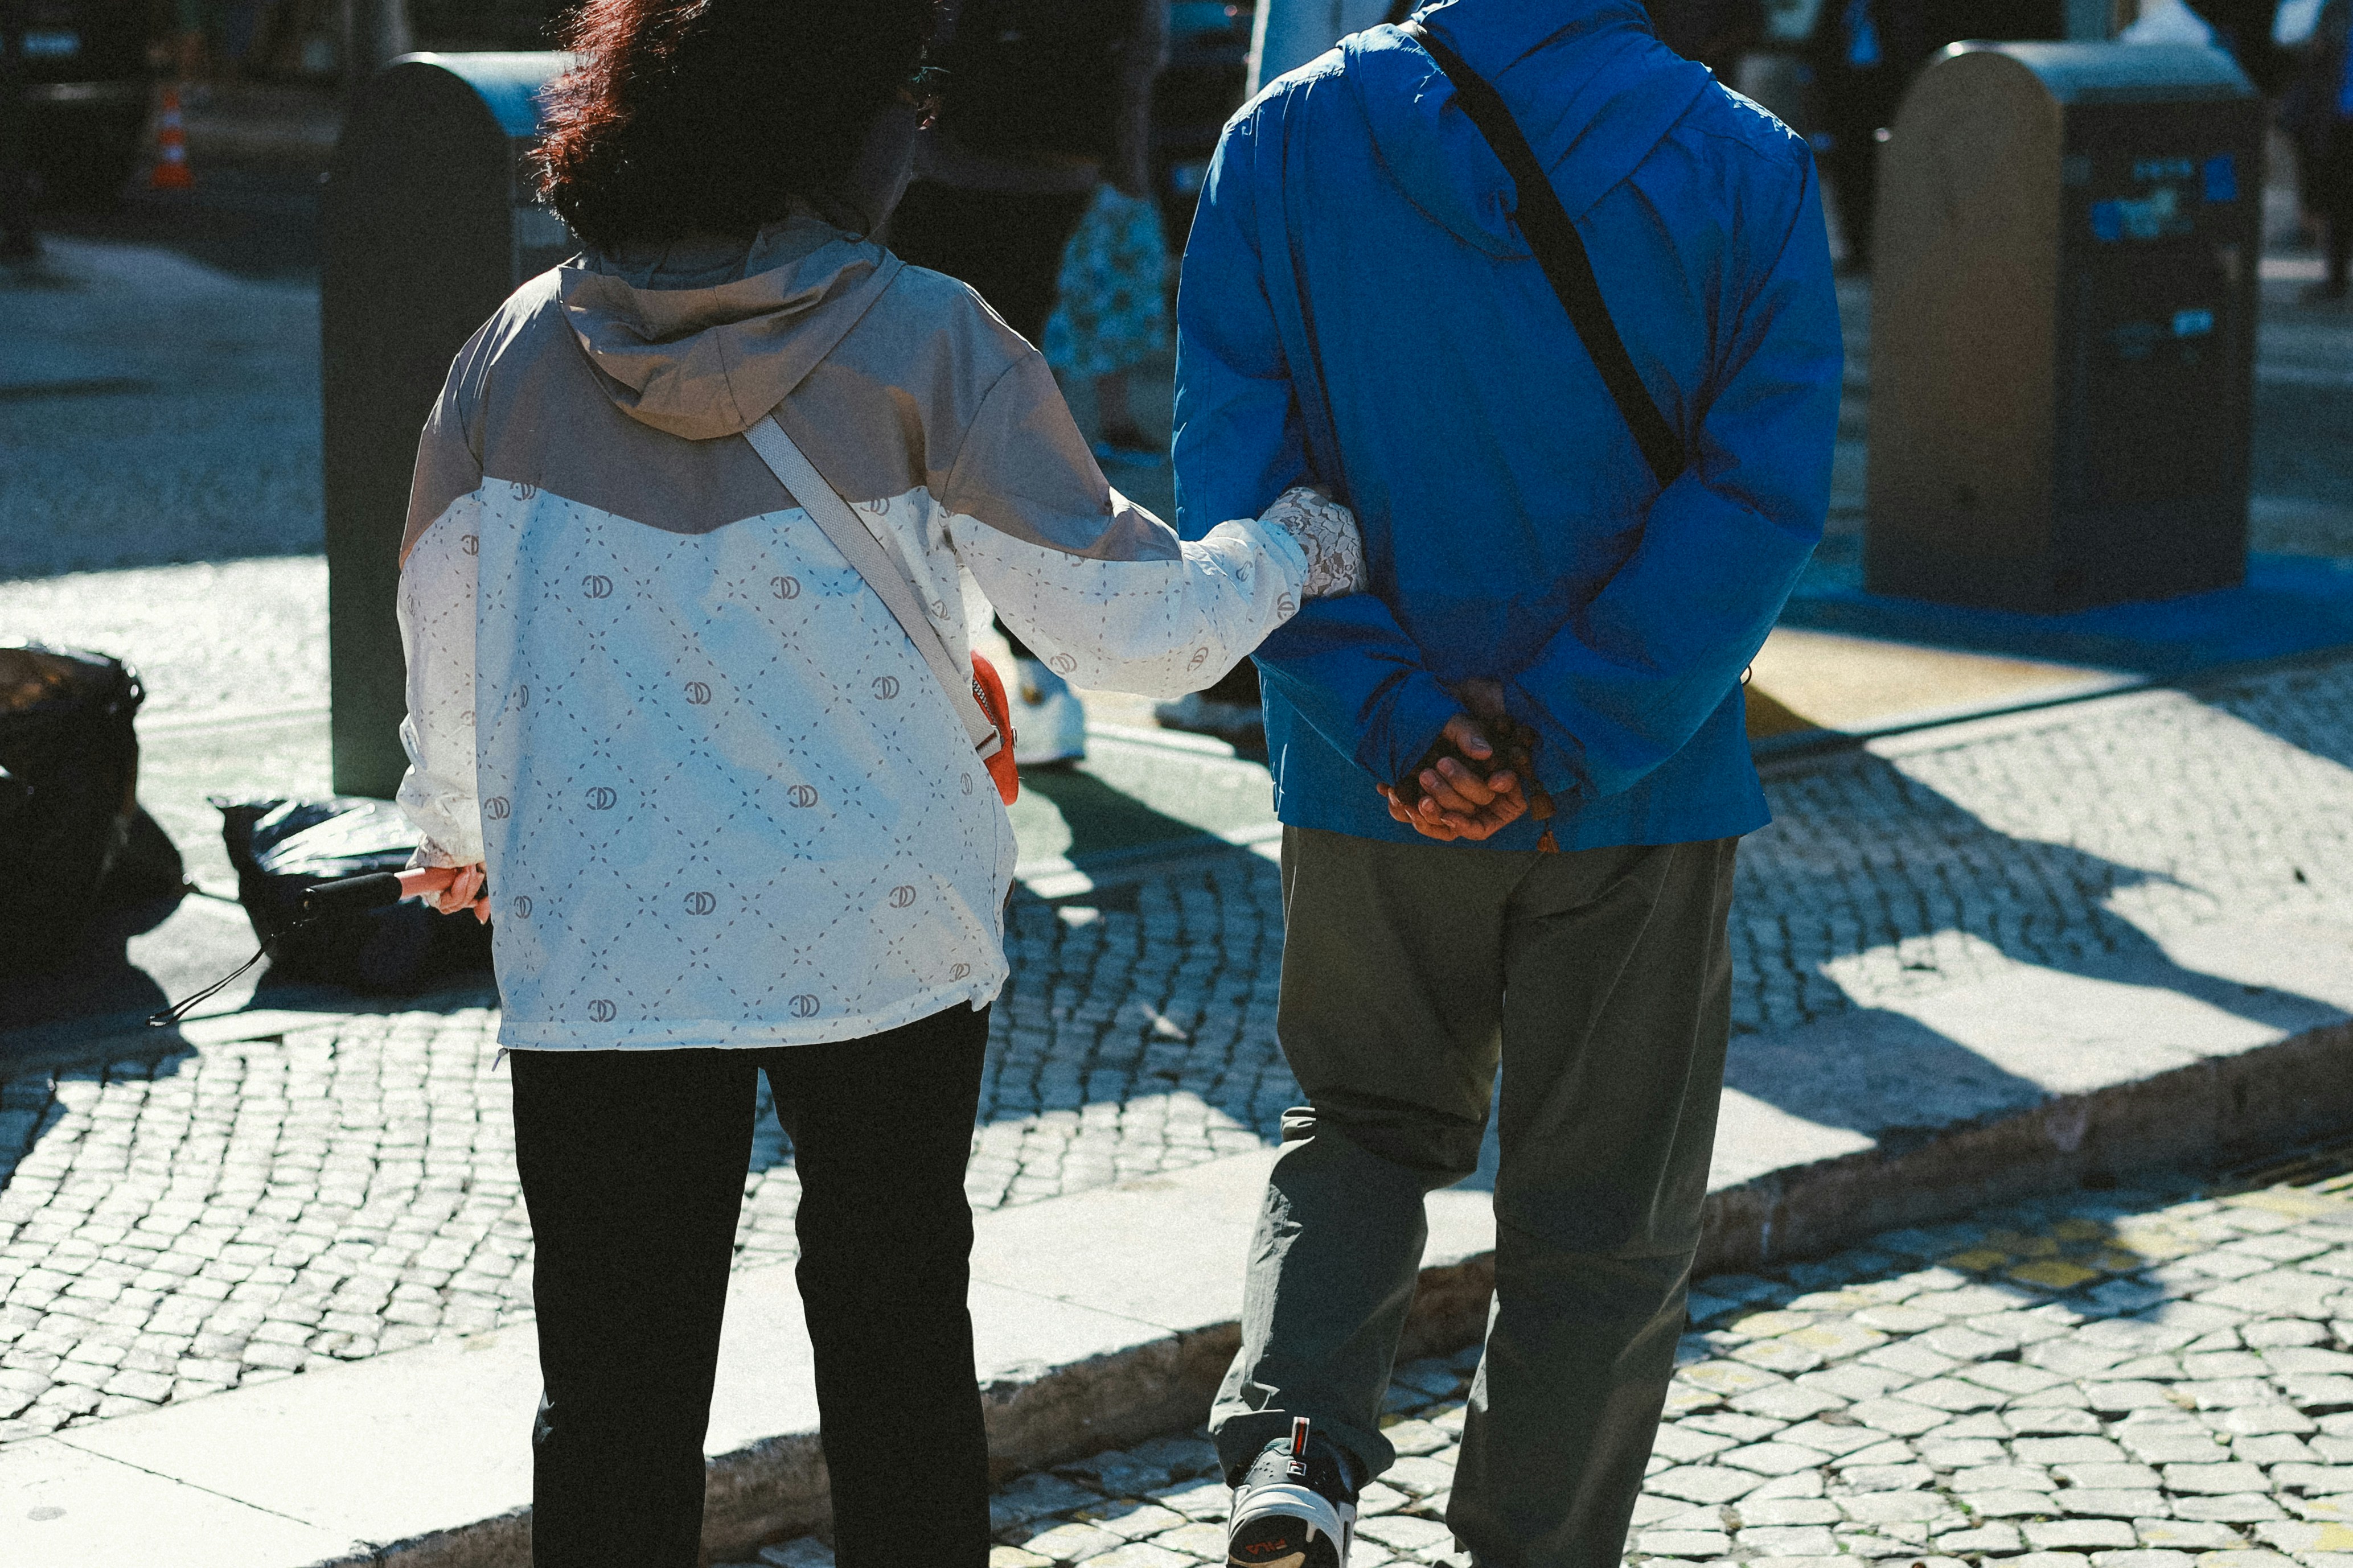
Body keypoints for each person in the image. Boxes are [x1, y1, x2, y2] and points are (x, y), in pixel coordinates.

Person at [390, 2, 1368, 1563]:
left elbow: (441, 618)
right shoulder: (928, 338)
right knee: (897, 1337)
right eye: (905, 95)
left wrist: (452, 828)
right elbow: (1127, 627)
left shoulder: (514, 355)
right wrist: (1291, 549)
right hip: (879, 928)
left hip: (605, 945)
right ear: (830, 121)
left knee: (613, 1382)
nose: (922, 126)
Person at [1171, 1, 1841, 1564]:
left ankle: (1289, 1449)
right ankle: (1531, 1543)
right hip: (1635, 776)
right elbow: (1757, 493)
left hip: (1367, 776)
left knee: (1353, 1119)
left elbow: (1236, 483)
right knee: (1601, 1214)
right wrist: (1557, 728)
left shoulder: (1281, 137)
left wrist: (1393, 716)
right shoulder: (1742, 163)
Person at [889, 0, 1172, 766]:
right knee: (1014, 429)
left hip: (953, 181)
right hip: (1057, 181)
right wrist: (1128, 181)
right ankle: (1036, 671)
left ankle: (971, 671)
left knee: (924, 435)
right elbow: (1138, 60)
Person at [2286, 0, 2353, 299]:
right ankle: (2336, 276)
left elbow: (2317, 48)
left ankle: (2336, 278)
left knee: (2340, 199)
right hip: (2340, 114)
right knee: (2340, 198)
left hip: (2341, 114)